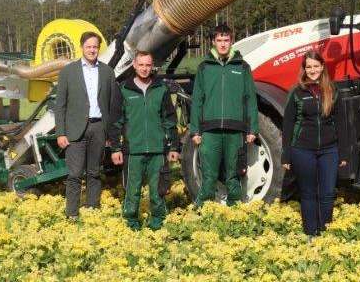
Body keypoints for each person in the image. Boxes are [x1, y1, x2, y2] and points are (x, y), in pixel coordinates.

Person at [108, 51, 180, 230]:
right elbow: (115, 121)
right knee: (132, 192)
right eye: (141, 65)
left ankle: (158, 225)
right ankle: (131, 224)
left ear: (152, 66)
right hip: (134, 150)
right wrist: (115, 148)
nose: (144, 69)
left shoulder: (161, 89)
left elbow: (170, 119)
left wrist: (174, 146)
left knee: (158, 192)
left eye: (148, 65)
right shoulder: (123, 89)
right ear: (134, 65)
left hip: (157, 150)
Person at [190, 24, 258, 207]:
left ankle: (234, 212)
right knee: (209, 176)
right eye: (219, 40)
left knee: (233, 175)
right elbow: (197, 100)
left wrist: (253, 129)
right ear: (213, 42)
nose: (222, 44)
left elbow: (250, 99)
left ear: (231, 41)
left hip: (235, 131)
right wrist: (195, 131)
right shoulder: (204, 67)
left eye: (226, 40)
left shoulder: (242, 67)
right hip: (210, 132)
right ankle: (204, 211)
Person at [53, 31, 119, 220]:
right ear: (81, 47)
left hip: (98, 128)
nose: (92, 50)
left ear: (99, 49)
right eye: (89, 46)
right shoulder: (68, 71)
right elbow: (60, 105)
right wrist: (60, 133)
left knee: (94, 173)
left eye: (95, 47)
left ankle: (92, 210)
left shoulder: (107, 72)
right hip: (75, 130)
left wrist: (110, 133)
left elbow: (112, 105)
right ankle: (72, 214)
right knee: (74, 174)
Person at [281, 52, 347, 238]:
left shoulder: (333, 90)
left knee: (327, 193)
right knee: (308, 193)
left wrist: (343, 153)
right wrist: (286, 154)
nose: (312, 70)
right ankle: (311, 233)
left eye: (316, 66)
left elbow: (341, 123)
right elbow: (288, 124)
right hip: (302, 150)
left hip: (329, 150)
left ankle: (325, 232)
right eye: (309, 67)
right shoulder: (296, 92)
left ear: (322, 67)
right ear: (304, 69)